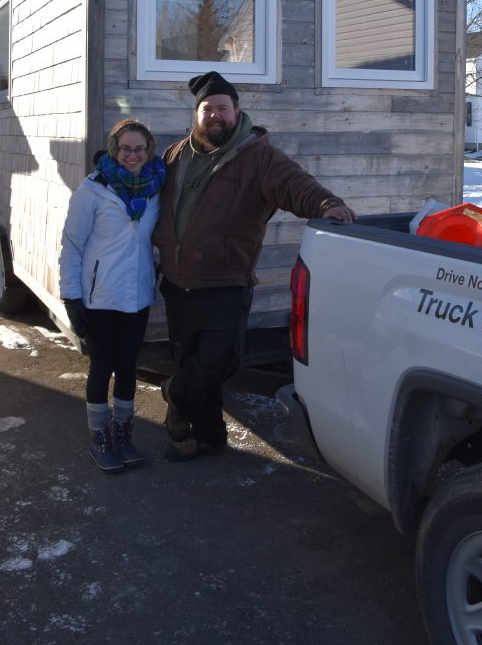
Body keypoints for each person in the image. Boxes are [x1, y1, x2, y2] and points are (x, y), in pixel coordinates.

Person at [153, 71, 355, 462]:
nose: (215, 116)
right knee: (193, 363)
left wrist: (327, 203)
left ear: (237, 111)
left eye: (222, 108)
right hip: (177, 281)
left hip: (224, 279)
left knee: (222, 358)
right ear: (196, 114)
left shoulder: (257, 156)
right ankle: (209, 437)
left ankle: (174, 395)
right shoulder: (177, 154)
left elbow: (295, 183)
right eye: (207, 109)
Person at [59, 119, 166, 474]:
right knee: (101, 367)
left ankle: (123, 432)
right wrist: (71, 298)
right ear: (113, 150)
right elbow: (72, 246)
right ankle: (99, 436)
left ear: (148, 150)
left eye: (139, 149)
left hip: (135, 297)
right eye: (125, 149)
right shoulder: (93, 190)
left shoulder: (155, 188)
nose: (132, 156)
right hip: (100, 297)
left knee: (127, 368)